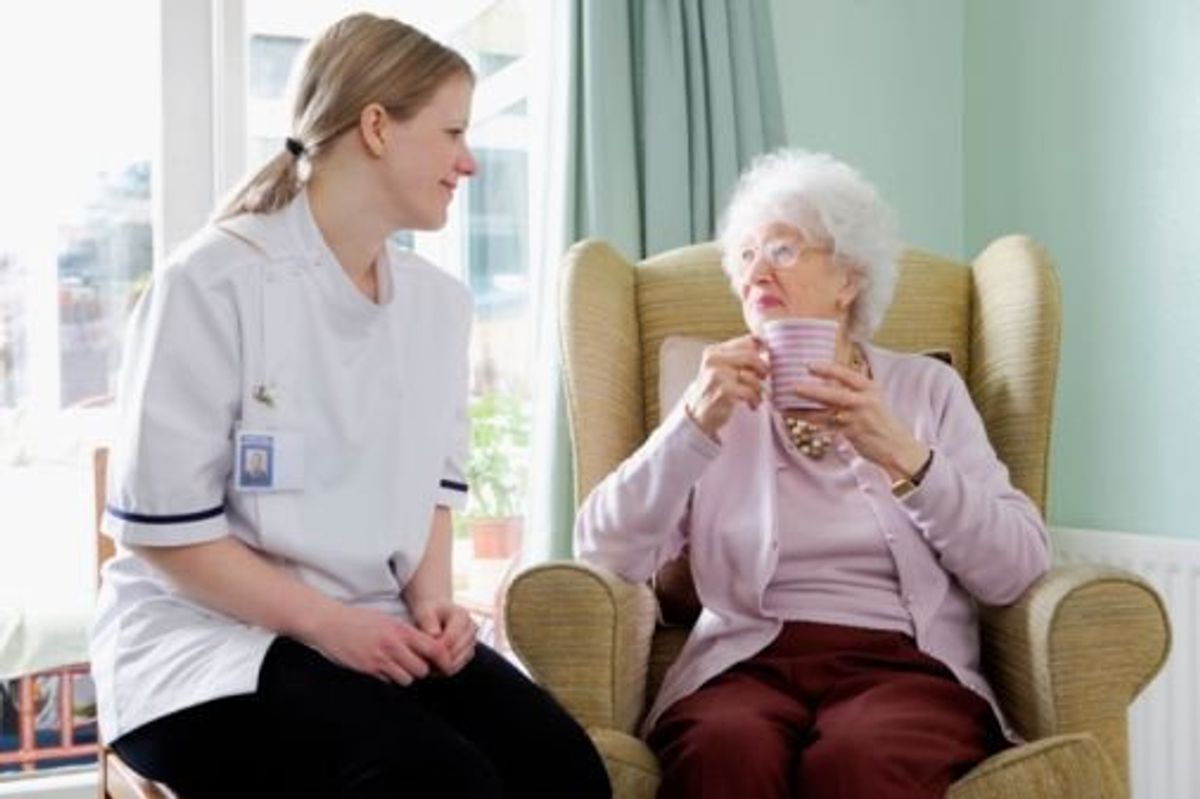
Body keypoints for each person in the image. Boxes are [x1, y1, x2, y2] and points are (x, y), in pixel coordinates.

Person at [90, 13, 609, 799]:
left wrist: (435, 605)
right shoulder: (211, 282)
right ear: (376, 126)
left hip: (376, 624)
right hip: (203, 648)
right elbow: (167, 537)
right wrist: (332, 626)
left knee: (564, 771)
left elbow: (437, 485)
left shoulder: (438, 305)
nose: (468, 161)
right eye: (452, 132)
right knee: (434, 781)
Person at [576, 149, 1051, 799]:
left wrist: (901, 451)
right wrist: (691, 424)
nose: (755, 271)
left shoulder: (925, 389)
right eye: (743, 255)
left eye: (783, 249)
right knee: (724, 749)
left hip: (903, 665)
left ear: (848, 278)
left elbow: (1016, 565)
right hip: (746, 662)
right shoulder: (709, 396)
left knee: (861, 759)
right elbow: (603, 549)